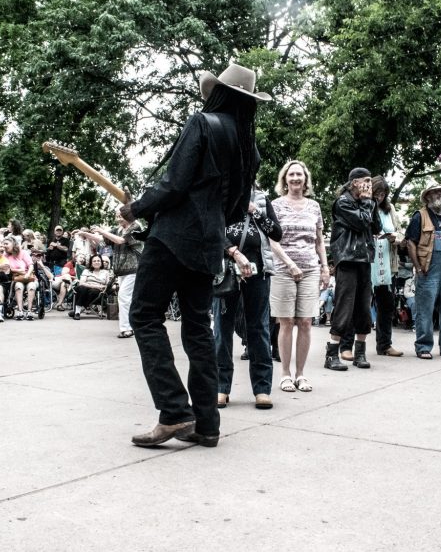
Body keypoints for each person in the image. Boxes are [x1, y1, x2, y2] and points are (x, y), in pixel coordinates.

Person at [119, 63, 270, 448]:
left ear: (220, 92)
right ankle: (207, 424)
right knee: (197, 328)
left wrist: (137, 208)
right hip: (209, 245)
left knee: (144, 314)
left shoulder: (202, 122)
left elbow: (173, 185)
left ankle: (173, 412)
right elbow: (237, 209)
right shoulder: (248, 146)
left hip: (173, 237)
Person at [214, 186, 282, 410]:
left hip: (258, 272)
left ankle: (262, 389)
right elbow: (211, 229)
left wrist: (255, 211)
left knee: (259, 329)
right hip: (225, 272)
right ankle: (221, 387)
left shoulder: (262, 199)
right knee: (222, 330)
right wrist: (233, 252)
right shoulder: (220, 195)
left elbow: (276, 233)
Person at [269, 159, 330, 391]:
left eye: (299, 175)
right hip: (283, 270)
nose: (295, 178)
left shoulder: (314, 206)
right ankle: (285, 374)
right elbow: (272, 240)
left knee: (305, 322)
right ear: (284, 179)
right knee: (286, 322)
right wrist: (290, 264)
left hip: (311, 269)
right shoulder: (275, 205)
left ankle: (301, 374)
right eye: (291, 174)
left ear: (306, 180)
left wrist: (324, 268)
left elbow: (319, 240)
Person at [323, 168, 379, 371]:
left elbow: (376, 227)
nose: (369, 184)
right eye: (366, 180)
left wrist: (372, 202)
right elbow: (362, 222)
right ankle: (332, 353)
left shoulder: (367, 202)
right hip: (347, 258)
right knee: (344, 305)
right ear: (354, 182)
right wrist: (366, 203)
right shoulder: (343, 202)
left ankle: (360, 352)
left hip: (364, 259)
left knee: (364, 307)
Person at [405, 182, 441, 359]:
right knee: (425, 309)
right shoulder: (419, 216)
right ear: (428, 197)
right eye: (435, 192)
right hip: (428, 268)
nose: (439, 195)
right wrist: (417, 266)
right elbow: (410, 243)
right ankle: (423, 346)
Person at [94, 210, 144, 338]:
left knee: (123, 297)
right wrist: (87, 234)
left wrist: (102, 230)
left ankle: (126, 328)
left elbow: (121, 240)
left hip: (134, 267)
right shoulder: (118, 229)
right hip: (121, 269)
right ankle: (134, 325)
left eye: (120, 214)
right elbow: (103, 239)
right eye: (116, 214)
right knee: (128, 299)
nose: (117, 216)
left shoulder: (135, 226)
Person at [369, 175, 403, 357]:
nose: (379, 197)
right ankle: (347, 345)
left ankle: (384, 344)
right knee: (359, 304)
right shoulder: (363, 206)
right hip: (366, 263)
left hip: (388, 265)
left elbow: (400, 234)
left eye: (383, 194)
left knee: (387, 305)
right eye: (377, 193)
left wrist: (394, 237)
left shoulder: (390, 210)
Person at [2, 236, 37, 320]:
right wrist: (18, 271)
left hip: (29, 276)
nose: (4, 246)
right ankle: (20, 311)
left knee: (31, 287)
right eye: (3, 244)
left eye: (6, 244)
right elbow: (6, 269)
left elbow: (31, 266)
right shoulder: (5, 256)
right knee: (18, 287)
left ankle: (29, 311)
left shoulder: (23, 253)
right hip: (16, 277)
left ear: (13, 244)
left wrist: (27, 274)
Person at [69, 254, 109, 320]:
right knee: (82, 288)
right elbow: (81, 283)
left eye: (98, 261)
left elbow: (107, 284)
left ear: (101, 262)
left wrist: (102, 287)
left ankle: (76, 311)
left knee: (93, 291)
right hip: (85, 288)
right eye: (94, 261)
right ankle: (77, 313)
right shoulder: (86, 271)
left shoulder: (105, 272)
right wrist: (95, 286)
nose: (96, 262)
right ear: (91, 263)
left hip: (97, 291)